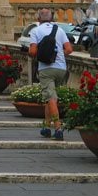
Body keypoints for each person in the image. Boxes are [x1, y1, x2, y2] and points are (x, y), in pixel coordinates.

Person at [28, 8, 73, 141]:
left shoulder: (35, 31)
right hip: (61, 69)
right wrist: (57, 55)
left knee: (51, 98)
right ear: (51, 18)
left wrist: (40, 53)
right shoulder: (59, 30)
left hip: (46, 69)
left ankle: (58, 128)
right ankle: (46, 127)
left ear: (38, 19)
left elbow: (32, 52)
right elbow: (69, 49)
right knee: (50, 98)